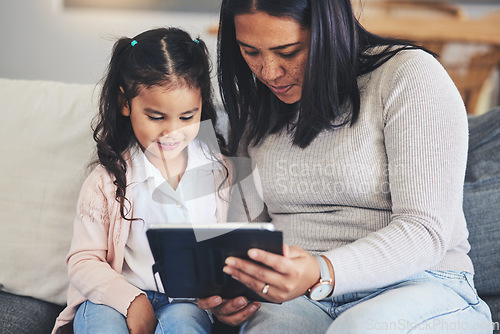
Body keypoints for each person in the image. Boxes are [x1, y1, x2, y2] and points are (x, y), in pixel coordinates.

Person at [198, 0, 493, 333]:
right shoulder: (258, 111)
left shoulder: (408, 76)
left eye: (288, 51)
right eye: (250, 52)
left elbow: (425, 230)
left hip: (420, 283)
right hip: (301, 296)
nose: (269, 72)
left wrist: (322, 269)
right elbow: (247, 232)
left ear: (330, 31)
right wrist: (234, 294)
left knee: (359, 327)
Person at [52, 27, 232, 334]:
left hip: (186, 304)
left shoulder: (221, 173)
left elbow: (236, 250)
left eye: (187, 117)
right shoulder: (107, 181)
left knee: (183, 326)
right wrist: (130, 299)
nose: (172, 131)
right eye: (156, 117)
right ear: (126, 104)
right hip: (112, 298)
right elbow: (83, 261)